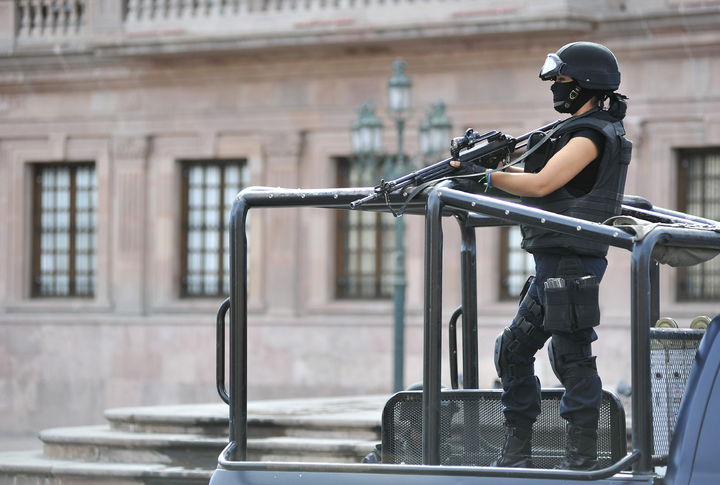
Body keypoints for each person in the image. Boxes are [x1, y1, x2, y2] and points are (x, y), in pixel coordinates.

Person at [453, 42, 631, 470]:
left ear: (585, 83)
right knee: (514, 351)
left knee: (570, 358)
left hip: (572, 261)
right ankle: (518, 452)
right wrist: (482, 171)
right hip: (555, 260)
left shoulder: (591, 135)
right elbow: (534, 179)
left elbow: (542, 184)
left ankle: (581, 458)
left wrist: (487, 177)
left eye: (563, 81)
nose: (556, 89)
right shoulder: (577, 129)